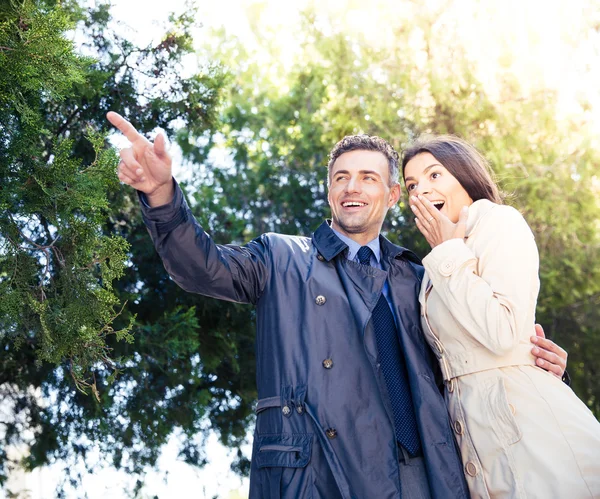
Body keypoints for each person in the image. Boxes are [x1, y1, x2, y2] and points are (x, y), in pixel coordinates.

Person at [107, 111, 567, 498]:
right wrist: (161, 195)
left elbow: (470, 347)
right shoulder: (280, 258)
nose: (352, 187)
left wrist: (527, 362)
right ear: (329, 192)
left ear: (391, 195)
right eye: (341, 177)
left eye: (368, 178)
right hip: (320, 475)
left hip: (425, 475)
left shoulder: (422, 277)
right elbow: (200, 267)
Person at [403, 134, 600, 499]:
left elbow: (502, 331)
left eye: (434, 175)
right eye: (412, 185)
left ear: (464, 175)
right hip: (478, 446)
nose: (421, 191)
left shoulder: (499, 223)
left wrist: (448, 251)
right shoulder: (431, 267)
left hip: (534, 438)